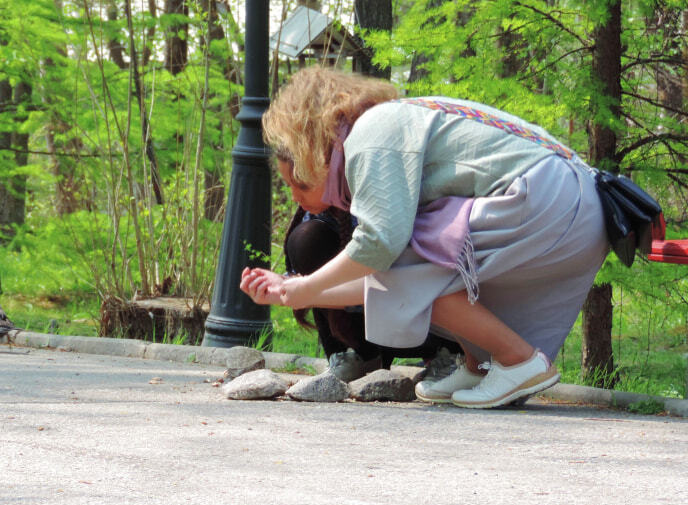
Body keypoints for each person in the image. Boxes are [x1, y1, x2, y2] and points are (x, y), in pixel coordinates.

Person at [241, 66, 609, 408]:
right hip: (573, 201)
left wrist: (305, 289)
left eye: (299, 181)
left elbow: (382, 248)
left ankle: (520, 361)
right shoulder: (385, 124)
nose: (294, 196)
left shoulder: (369, 135)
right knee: (422, 259)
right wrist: (298, 290)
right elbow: (386, 282)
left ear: (314, 142)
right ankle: (480, 364)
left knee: (417, 259)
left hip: (554, 198)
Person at [282, 206, 461, 381]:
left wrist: (307, 290)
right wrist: (290, 288)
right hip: (368, 315)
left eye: (302, 187)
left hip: (417, 296)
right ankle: (358, 354)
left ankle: (448, 354)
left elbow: (380, 284)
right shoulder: (325, 209)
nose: (296, 197)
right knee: (307, 239)